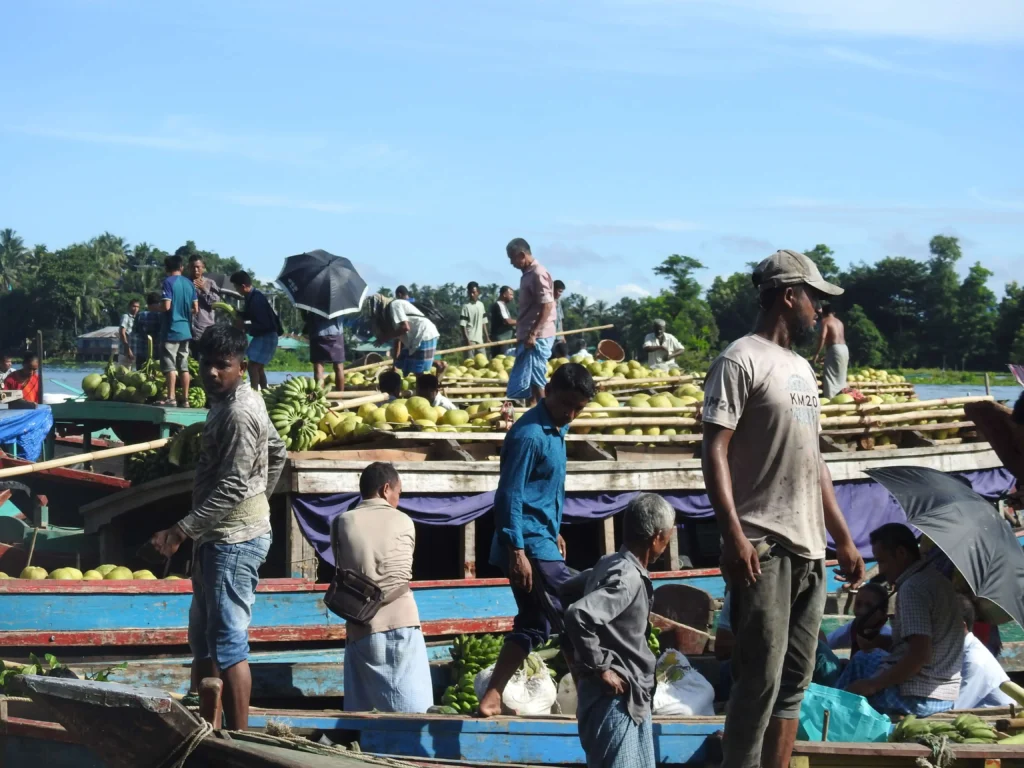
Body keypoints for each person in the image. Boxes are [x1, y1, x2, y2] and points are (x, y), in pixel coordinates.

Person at [701, 249, 864, 768]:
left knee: (795, 682)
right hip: (764, 547)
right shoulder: (740, 360)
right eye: (814, 298)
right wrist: (734, 535)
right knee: (758, 680)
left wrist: (842, 538)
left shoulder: (802, 370)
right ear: (789, 296)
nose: (819, 309)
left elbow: (814, 462)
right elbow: (714, 449)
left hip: (810, 548)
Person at [147, 324, 286, 730]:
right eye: (206, 364)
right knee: (204, 639)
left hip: (233, 540)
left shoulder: (239, 412)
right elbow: (277, 452)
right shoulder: (233, 401)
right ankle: (207, 725)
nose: (211, 372)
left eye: (222, 365)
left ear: (241, 367)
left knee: (227, 641)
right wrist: (260, 499)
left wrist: (181, 531)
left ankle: (240, 737)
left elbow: (234, 486)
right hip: (218, 535)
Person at [478, 362, 596, 717]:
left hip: (541, 537)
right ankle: (590, 700)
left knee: (535, 623)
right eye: (566, 405)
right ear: (548, 391)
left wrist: (553, 527)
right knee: (575, 614)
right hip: (528, 544)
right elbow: (509, 495)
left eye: (578, 409)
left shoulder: (556, 429)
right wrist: (517, 551)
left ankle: (492, 697)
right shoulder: (529, 435)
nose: (571, 414)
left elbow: (539, 491)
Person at [562, 493, 675, 768]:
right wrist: (601, 666)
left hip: (631, 697)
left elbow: (566, 590)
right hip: (615, 699)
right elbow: (578, 614)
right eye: (668, 536)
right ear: (657, 538)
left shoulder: (609, 562)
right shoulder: (628, 578)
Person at [331, 462, 433, 713]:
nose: (398, 498)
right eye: (398, 492)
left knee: (362, 714)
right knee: (412, 714)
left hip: (360, 626)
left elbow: (342, 568)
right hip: (401, 623)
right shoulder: (404, 520)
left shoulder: (341, 522)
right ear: (386, 489)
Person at [838, 523, 963, 716]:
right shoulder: (938, 580)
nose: (881, 570)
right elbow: (923, 644)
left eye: (882, 561)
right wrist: (880, 642)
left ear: (901, 553)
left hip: (919, 697)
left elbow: (919, 655)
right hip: (944, 694)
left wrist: (873, 684)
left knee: (846, 696)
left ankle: (826, 720)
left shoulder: (913, 588)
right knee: (865, 657)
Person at [505, 238, 556, 405]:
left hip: (538, 337)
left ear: (522, 255)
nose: (511, 263)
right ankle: (534, 411)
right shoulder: (528, 274)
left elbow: (547, 305)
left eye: (512, 258)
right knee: (530, 381)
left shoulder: (538, 273)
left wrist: (533, 333)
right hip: (528, 335)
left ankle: (546, 414)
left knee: (537, 378)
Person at [955, 595, 1013, 709]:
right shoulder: (965, 651)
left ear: (962, 626)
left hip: (998, 717)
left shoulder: (974, 660)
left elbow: (956, 708)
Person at [365, 294, 442, 377]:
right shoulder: (390, 317)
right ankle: (437, 366)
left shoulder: (395, 305)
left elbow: (405, 327)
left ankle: (433, 374)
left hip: (423, 334)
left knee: (418, 370)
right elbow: (397, 340)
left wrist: (385, 337)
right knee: (403, 363)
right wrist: (395, 365)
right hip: (414, 339)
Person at [231, 271, 280, 391]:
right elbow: (252, 315)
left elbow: (263, 324)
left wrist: (244, 326)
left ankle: (255, 394)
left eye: (236, 287)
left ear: (243, 286)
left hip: (266, 335)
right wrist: (240, 314)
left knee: (252, 366)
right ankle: (265, 392)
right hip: (266, 335)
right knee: (258, 367)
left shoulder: (256, 299)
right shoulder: (252, 297)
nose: (237, 290)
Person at [160, 254, 199, 405]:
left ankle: (171, 398)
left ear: (166, 268)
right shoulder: (189, 284)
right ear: (181, 267)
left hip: (171, 330)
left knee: (170, 365)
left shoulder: (168, 282)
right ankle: (186, 399)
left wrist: (156, 308)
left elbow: (166, 306)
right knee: (184, 366)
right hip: (186, 330)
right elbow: (195, 309)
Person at [824, 582, 893, 656]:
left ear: (883, 613)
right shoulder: (852, 628)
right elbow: (826, 643)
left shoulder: (891, 638)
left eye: (869, 606)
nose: (861, 611)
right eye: (858, 604)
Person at [812, 305, 848, 399]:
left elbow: (823, 337)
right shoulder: (839, 322)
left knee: (830, 375)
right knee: (841, 375)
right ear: (833, 313)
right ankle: (841, 395)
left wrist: (817, 353)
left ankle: (830, 398)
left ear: (823, 313)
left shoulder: (825, 321)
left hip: (834, 349)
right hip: (844, 349)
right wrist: (828, 354)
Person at [307, 312, 346, 393]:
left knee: (319, 368)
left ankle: (320, 397)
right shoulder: (340, 304)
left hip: (318, 333)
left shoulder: (314, 304)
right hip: (336, 333)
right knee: (339, 367)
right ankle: (340, 397)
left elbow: (306, 318)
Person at [188, 254, 221, 346]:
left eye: (198, 267)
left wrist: (204, 289)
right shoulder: (184, 282)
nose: (195, 270)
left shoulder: (210, 283)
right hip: (187, 328)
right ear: (188, 267)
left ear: (203, 267)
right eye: (193, 267)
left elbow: (216, 304)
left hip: (205, 328)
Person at [132, 292, 165, 368]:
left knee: (140, 373)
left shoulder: (140, 315)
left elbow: (135, 331)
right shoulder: (162, 316)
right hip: (158, 353)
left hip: (141, 353)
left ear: (148, 304)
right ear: (159, 303)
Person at [459, 281, 489, 347]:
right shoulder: (466, 306)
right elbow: (463, 325)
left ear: (478, 292)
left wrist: (487, 337)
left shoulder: (481, 305)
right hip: (470, 339)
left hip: (480, 340)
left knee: (482, 354)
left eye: (474, 292)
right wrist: (467, 340)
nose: (472, 295)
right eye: (470, 293)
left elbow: (483, 322)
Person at [118, 298, 141, 368]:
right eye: (134, 306)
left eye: (137, 307)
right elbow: (122, 333)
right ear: (129, 307)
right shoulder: (126, 317)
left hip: (136, 352)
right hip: (125, 352)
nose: (136, 309)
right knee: (124, 372)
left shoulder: (138, 318)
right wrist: (128, 349)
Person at [551, 280, 568, 359]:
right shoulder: (547, 301)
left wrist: (562, 335)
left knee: (560, 358)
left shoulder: (559, 302)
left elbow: (560, 320)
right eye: (559, 291)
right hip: (550, 335)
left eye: (561, 292)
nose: (560, 294)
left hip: (558, 336)